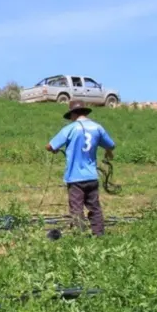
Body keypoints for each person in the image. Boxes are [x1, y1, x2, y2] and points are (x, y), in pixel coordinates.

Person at [46, 100, 116, 236]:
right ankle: (99, 234)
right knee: (94, 207)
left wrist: (54, 149)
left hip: (75, 177)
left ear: (73, 114)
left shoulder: (70, 128)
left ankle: (80, 236)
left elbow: (50, 146)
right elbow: (111, 145)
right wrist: (108, 151)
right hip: (91, 176)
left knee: (76, 209)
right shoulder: (97, 128)